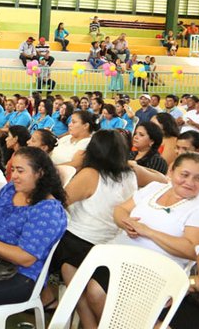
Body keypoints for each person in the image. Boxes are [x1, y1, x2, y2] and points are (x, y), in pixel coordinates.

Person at [81, 153, 199, 325]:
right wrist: (126, 223)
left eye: (198, 178)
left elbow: (192, 250)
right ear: (172, 171)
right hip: (123, 257)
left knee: (122, 306)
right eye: (184, 175)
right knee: (92, 291)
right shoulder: (155, 188)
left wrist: (148, 232)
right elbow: (120, 209)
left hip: (157, 272)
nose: (190, 182)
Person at [0, 147, 67, 329]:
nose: (14, 175)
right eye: (13, 169)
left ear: (39, 173)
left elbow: (25, 257)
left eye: (20, 171)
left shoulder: (48, 210)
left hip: (20, 276)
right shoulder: (11, 189)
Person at [46, 131, 137, 324]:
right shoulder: (129, 175)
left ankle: (55, 303)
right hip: (111, 245)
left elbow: (60, 202)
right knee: (68, 269)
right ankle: (88, 323)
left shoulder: (90, 174)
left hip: (81, 242)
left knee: (57, 258)